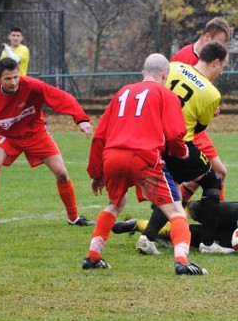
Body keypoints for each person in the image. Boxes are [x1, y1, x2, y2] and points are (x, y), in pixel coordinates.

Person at [82, 53, 207, 275]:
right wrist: (182, 152)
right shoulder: (166, 94)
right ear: (165, 75)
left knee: (115, 204)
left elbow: (100, 135)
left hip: (112, 157)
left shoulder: (121, 92)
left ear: (143, 73)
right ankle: (182, 261)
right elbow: (174, 134)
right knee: (176, 210)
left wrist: (96, 172)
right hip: (143, 158)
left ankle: (93, 256)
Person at [0, 58, 96, 230]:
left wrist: (80, 119)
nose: (13, 82)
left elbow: (61, 98)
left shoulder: (32, 85)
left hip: (36, 133)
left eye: (16, 77)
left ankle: (74, 218)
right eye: (8, 79)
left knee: (61, 173)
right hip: (8, 136)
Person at [137, 42, 231, 255]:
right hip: (179, 146)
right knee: (213, 180)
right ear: (215, 62)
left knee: (172, 185)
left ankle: (147, 237)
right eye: (222, 66)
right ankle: (208, 243)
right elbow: (198, 128)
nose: (222, 71)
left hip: (153, 140)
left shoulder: (175, 66)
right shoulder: (211, 93)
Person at [171, 17, 233, 202]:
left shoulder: (206, 61)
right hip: (185, 131)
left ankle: (176, 210)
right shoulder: (184, 59)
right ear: (207, 37)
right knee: (218, 172)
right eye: (220, 43)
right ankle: (216, 218)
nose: (222, 50)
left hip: (193, 128)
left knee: (208, 175)